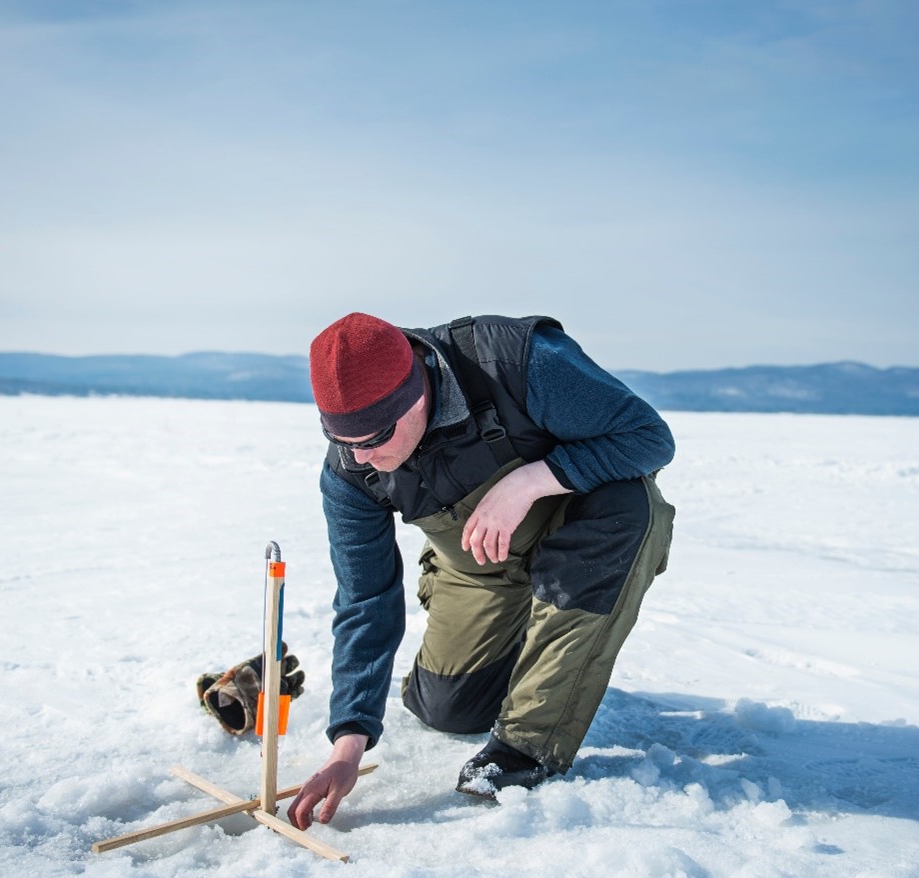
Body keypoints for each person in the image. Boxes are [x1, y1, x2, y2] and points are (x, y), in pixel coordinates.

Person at [287, 312, 675, 831]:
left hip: (579, 534)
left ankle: (525, 747)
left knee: (628, 507)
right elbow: (365, 599)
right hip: (478, 567)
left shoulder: (516, 362)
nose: (363, 456)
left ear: (417, 394)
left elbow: (649, 436)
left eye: (375, 437)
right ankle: (525, 646)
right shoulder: (350, 470)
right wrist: (347, 745)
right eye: (344, 440)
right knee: (448, 709)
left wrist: (531, 481)